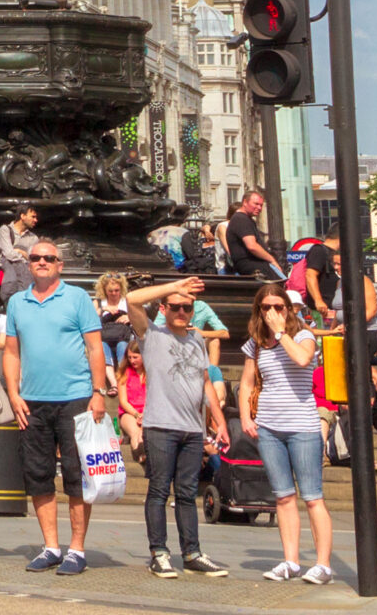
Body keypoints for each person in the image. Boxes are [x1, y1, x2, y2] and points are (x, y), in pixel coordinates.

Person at [2, 237, 107, 575]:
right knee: (38, 474)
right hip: (32, 401)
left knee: (77, 477)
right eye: (35, 258)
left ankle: (77, 549)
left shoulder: (76, 297)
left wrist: (99, 392)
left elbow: (94, 348)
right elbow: (12, 352)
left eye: (48, 258)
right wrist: (13, 394)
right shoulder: (17, 302)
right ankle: (50, 546)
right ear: (28, 264)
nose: (42, 262)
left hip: (75, 397)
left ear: (60, 264)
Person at [135, 276, 229, 578]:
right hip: (160, 426)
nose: (181, 312)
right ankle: (159, 553)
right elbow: (132, 299)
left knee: (188, 493)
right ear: (164, 308)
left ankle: (192, 552)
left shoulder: (197, 340)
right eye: (175, 307)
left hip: (192, 429)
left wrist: (220, 421)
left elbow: (205, 384)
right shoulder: (152, 335)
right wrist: (174, 287)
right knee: (160, 490)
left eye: (187, 308)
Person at [242, 282, 334, 583]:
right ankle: (290, 561)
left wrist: (281, 333)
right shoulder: (256, 342)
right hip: (269, 426)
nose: (271, 312)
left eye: (277, 307)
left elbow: (303, 359)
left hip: (302, 427)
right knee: (282, 497)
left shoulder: (304, 335)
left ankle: (322, 564)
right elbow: (246, 383)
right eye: (265, 307)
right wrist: (246, 416)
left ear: (289, 308)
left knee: (312, 497)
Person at [95, 272, 135, 384]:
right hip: (104, 337)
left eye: (116, 290)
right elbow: (90, 318)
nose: (113, 293)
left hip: (123, 336)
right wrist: (103, 309)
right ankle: (114, 384)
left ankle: (124, 381)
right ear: (104, 290)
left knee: (122, 347)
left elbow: (140, 318)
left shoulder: (127, 302)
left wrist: (129, 317)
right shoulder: (98, 302)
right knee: (102, 348)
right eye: (110, 291)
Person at [230, 191, 280, 279]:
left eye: (261, 205)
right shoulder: (241, 219)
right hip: (254, 267)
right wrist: (272, 260)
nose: (259, 208)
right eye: (256, 204)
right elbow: (252, 246)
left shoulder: (247, 219)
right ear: (245, 202)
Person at [0, 207, 38, 301]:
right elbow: (9, 253)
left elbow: (32, 259)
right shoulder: (5, 230)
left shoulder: (33, 238)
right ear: (23, 216)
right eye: (33, 217)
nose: (35, 220)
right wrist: (23, 254)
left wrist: (18, 251)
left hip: (25, 281)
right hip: (7, 278)